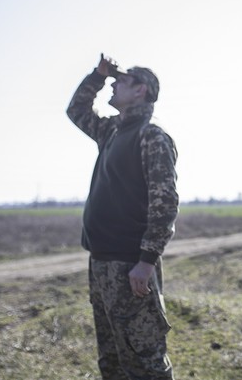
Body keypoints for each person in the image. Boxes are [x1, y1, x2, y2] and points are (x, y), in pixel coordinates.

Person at [67, 54, 179, 380]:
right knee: (112, 360)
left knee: (144, 362)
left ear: (140, 90)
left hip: (130, 267)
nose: (113, 86)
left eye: (121, 82)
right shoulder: (111, 132)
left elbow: (165, 203)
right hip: (100, 263)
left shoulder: (151, 137)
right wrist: (98, 76)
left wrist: (146, 260)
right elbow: (76, 110)